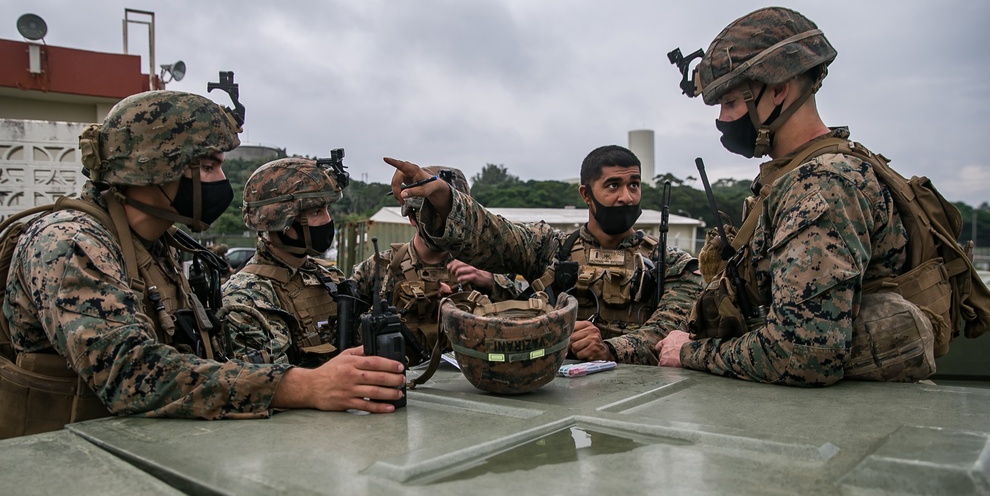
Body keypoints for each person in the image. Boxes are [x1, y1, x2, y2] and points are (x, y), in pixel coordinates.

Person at [0, 91, 403, 439]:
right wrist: (301, 385)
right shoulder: (70, 242)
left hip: (138, 449)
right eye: (209, 166)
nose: (221, 180)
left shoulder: (161, 247)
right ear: (154, 167)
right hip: (62, 460)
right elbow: (127, 373)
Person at [656, 6, 913, 385]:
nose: (723, 120)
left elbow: (802, 354)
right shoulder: (795, 177)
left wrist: (689, 352)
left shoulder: (822, 185)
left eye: (730, 103)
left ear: (778, 90)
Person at [385, 145, 702, 366]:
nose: (626, 197)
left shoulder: (670, 263)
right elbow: (497, 236)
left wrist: (609, 349)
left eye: (634, 185)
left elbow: (669, 331)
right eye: (613, 185)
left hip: (638, 401)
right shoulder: (551, 246)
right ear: (586, 194)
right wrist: (442, 195)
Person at [351, 165, 519, 366]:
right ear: (413, 218)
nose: (447, 227)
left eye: (453, 217)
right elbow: (348, 332)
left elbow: (522, 318)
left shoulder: (484, 265)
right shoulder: (380, 268)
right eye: (437, 217)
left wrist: (490, 282)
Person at [222, 156, 349, 368]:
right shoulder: (244, 297)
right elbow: (264, 384)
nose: (328, 220)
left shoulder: (330, 277)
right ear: (283, 221)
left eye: (327, 209)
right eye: (317, 211)